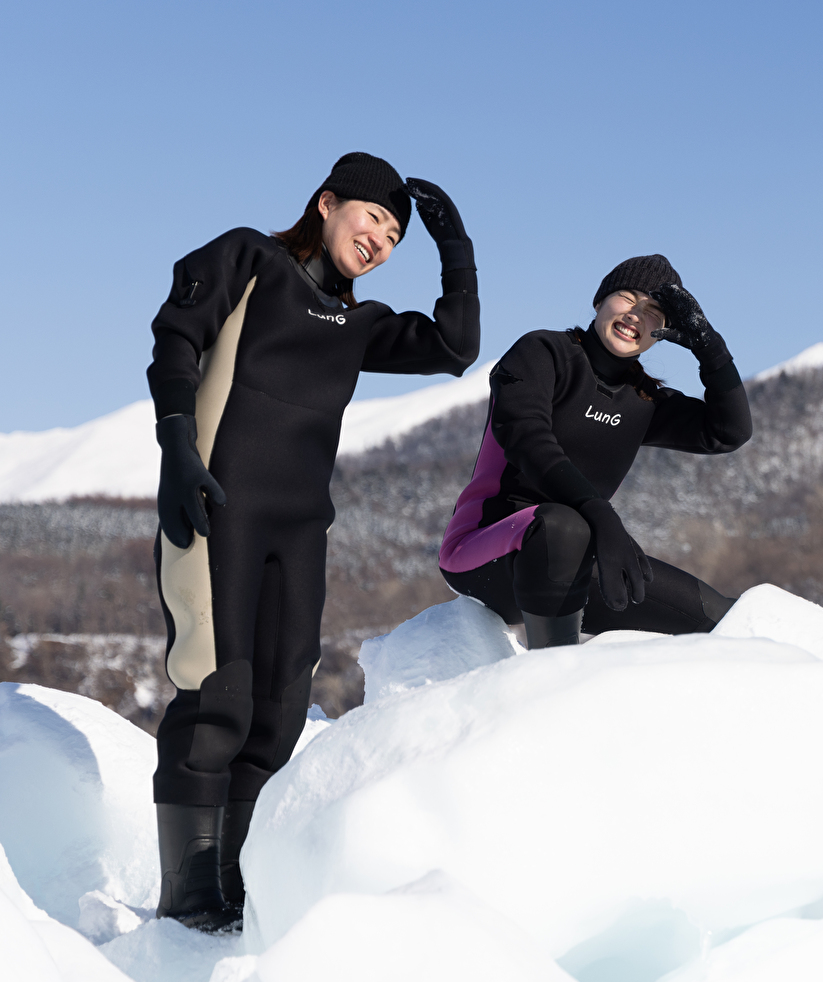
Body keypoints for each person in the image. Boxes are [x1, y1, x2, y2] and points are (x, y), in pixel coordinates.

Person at [147, 152, 480, 929]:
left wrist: (455, 249)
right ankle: (187, 904)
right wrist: (178, 446)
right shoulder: (250, 259)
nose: (382, 240)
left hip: (299, 531)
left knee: (276, 715)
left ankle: (234, 896)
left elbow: (456, 346)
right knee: (215, 698)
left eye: (396, 235)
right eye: (374, 218)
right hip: (216, 509)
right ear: (327, 203)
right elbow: (176, 335)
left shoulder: (358, 324)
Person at [439, 254, 750, 647]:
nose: (636, 314)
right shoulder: (544, 352)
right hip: (484, 550)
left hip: (574, 557)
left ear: (662, 332)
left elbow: (729, 432)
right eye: (628, 298)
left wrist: (710, 348)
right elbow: (526, 438)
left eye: (653, 312)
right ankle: (553, 675)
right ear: (600, 300)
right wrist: (598, 512)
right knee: (563, 527)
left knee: (721, 617)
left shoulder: (643, 400)